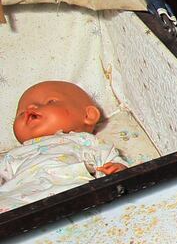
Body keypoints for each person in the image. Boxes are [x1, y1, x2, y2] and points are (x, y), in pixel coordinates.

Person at [0, 81, 127, 212]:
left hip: (70, 189)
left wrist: (117, 169)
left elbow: (109, 159)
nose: (30, 108)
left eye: (50, 101)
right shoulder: (14, 154)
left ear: (88, 115)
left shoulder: (84, 140)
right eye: (21, 113)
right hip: (17, 201)